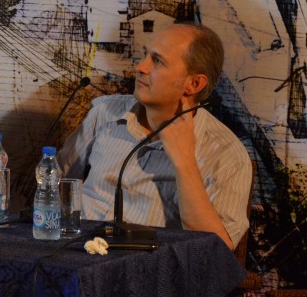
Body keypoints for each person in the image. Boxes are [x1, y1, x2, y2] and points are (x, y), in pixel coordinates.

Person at [59, 22, 251, 249]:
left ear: (194, 84)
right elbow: (55, 182)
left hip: (144, 265)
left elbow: (216, 251)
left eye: (158, 61)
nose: (140, 67)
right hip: (74, 252)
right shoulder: (104, 113)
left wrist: (185, 162)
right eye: (145, 55)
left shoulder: (227, 155)